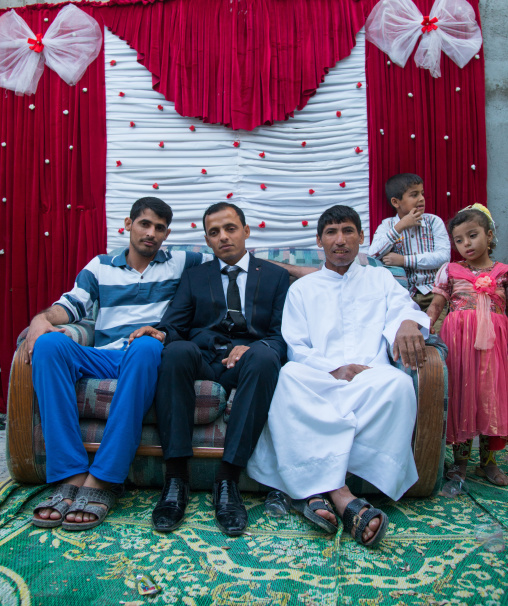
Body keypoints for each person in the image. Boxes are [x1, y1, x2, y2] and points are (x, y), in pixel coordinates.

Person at [247, 205, 429, 547]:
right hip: (318, 378)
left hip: (371, 376)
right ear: (320, 240)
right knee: (289, 379)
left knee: (400, 386)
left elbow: (405, 308)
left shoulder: (380, 278)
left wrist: (407, 322)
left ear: (361, 237)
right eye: (331, 233)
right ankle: (342, 495)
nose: (340, 240)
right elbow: (295, 345)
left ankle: (316, 490)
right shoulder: (303, 289)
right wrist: (333, 370)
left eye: (348, 231)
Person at [25, 196, 210, 531]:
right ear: (128, 224)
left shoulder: (182, 262)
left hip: (146, 354)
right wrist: (41, 320)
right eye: (145, 224)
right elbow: (70, 307)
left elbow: (234, 259)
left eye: (159, 228)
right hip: (105, 355)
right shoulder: (100, 266)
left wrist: (307, 272)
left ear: (167, 234)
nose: (151, 233)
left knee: (146, 346)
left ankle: (105, 478)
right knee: (50, 344)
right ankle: (71, 473)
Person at [129, 202, 289, 537]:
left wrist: (255, 347)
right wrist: (159, 332)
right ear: (207, 239)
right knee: (174, 351)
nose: (223, 237)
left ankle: (228, 480)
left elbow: (280, 336)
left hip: (247, 362)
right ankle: (176, 480)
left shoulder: (275, 277)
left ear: (246, 231)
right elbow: (175, 325)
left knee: (265, 356)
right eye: (214, 232)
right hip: (203, 359)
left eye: (230, 228)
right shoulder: (195, 276)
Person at [427, 204, 508, 486]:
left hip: (495, 347)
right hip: (459, 346)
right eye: (459, 240)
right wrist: (424, 326)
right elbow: (437, 304)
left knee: (491, 397)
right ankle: (460, 463)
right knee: (462, 395)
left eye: (472, 236)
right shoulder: (450, 271)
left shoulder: (503, 273)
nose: (466, 244)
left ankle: (487, 462)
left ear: (488, 235)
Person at [369, 173, 450, 332]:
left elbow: (443, 257)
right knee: (407, 339)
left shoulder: (433, 222)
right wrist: (399, 227)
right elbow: (372, 255)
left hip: (434, 294)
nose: (421, 199)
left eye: (422, 193)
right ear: (395, 202)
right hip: (403, 298)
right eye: (414, 195)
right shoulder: (388, 226)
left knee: (435, 337)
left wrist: (404, 260)